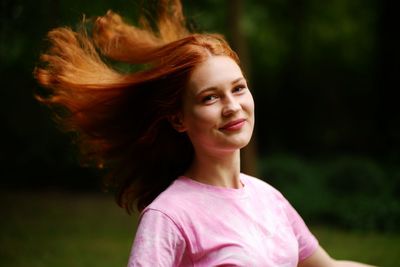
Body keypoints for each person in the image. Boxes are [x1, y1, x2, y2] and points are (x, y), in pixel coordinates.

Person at [35, 1, 376, 266]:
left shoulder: (268, 198)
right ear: (179, 119)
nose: (231, 106)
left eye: (238, 89)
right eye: (209, 97)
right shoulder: (169, 216)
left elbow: (327, 266)